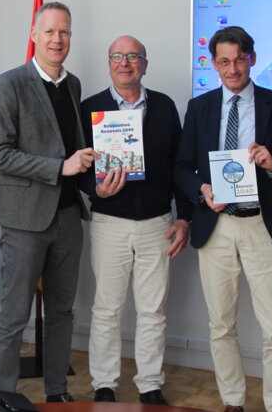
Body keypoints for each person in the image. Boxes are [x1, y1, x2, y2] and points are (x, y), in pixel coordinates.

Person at [174, 26, 272, 412]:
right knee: (221, 324)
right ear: (213, 64)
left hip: (263, 223)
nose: (232, 69)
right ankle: (232, 401)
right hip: (217, 226)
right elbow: (182, 166)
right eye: (224, 61)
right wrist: (201, 191)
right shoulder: (200, 107)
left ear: (252, 59)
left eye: (239, 59)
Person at [0, 1, 94, 400]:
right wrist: (59, 167)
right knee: (14, 314)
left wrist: (92, 178)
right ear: (34, 35)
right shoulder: (8, 84)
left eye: (64, 32)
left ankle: (57, 392)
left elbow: (76, 150)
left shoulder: (74, 84)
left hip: (67, 217)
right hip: (25, 220)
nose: (57, 39)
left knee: (62, 311)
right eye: (49, 31)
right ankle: (2, 395)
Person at [80, 36, 192, 405]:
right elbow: (78, 167)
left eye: (133, 56)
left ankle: (150, 384)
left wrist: (184, 217)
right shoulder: (90, 108)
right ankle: (105, 383)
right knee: (107, 308)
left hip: (158, 223)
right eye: (117, 56)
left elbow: (179, 165)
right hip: (109, 222)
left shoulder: (163, 106)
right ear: (108, 63)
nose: (124, 62)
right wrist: (98, 190)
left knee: (152, 310)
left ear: (145, 64)